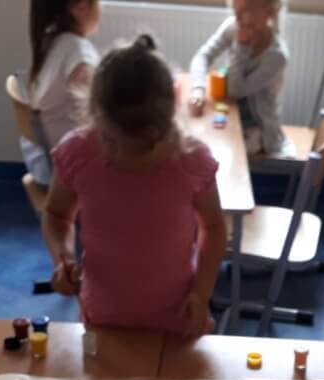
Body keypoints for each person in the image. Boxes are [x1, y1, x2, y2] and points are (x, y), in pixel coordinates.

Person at [43, 35, 228, 336]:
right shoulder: (78, 152)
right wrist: (62, 257)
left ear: (170, 118)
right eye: (112, 142)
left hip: (175, 317)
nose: (126, 157)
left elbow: (215, 226)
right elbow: (56, 214)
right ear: (95, 116)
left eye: (146, 146)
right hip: (102, 317)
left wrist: (201, 293)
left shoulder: (191, 159)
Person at [188, 0, 294, 158]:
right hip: (231, 111)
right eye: (234, 10)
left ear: (269, 13)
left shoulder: (276, 56)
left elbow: (235, 91)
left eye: (244, 11)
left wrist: (241, 46)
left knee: (214, 151)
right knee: (196, 133)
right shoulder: (232, 27)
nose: (237, 17)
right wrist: (198, 88)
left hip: (258, 128)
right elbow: (202, 57)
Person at [23, 0, 103, 186]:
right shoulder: (79, 54)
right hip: (74, 171)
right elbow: (103, 118)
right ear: (81, 6)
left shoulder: (54, 42)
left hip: (54, 164)